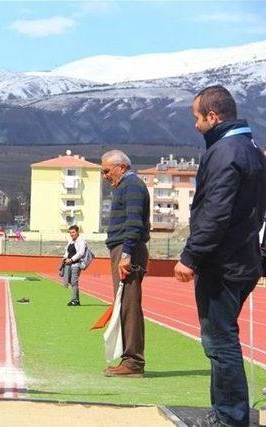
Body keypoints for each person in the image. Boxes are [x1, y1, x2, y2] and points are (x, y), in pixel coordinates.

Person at [173, 86, 266, 427]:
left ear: (213, 117)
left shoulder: (226, 152)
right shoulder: (251, 149)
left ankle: (230, 418)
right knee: (222, 337)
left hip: (224, 264)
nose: (196, 126)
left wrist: (191, 256)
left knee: (220, 341)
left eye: (197, 119)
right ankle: (226, 413)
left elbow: (216, 211)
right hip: (242, 260)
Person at [101, 149, 150, 378]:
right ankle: (129, 360)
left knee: (129, 305)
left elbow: (133, 223)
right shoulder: (125, 186)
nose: (105, 175)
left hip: (127, 250)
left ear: (121, 167)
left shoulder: (132, 186)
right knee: (125, 304)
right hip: (123, 249)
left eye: (107, 170)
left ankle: (133, 362)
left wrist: (127, 254)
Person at [62, 225, 86, 306]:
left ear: (77, 232)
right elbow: (67, 251)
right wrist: (65, 258)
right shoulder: (71, 241)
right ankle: (77, 300)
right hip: (68, 264)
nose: (71, 234)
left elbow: (81, 253)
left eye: (73, 232)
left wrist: (71, 259)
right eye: (70, 233)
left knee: (74, 282)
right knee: (69, 281)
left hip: (76, 264)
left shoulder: (81, 241)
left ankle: (74, 300)